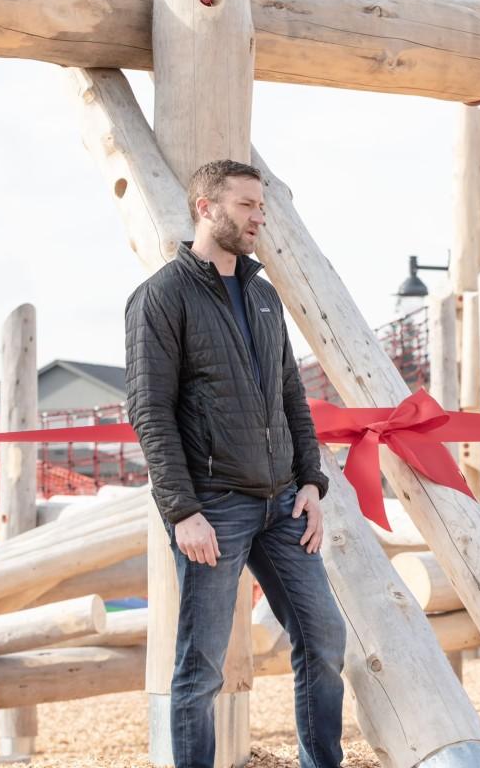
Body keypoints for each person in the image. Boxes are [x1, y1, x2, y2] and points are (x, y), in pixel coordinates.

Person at [125, 159, 345, 768]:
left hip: (283, 504)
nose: (258, 217)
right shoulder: (160, 297)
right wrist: (183, 511)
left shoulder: (264, 294)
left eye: (261, 206)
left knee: (324, 638)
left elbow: (291, 395)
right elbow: (150, 410)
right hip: (214, 507)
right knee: (201, 664)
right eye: (247, 205)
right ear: (206, 207)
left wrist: (311, 481)